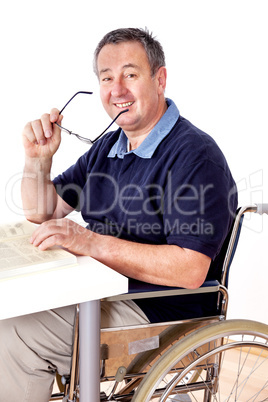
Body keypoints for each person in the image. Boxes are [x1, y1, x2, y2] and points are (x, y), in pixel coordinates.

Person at [0, 28, 237, 401]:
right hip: (101, 293)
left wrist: (90, 242)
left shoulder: (194, 156)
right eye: (106, 78)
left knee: (13, 336)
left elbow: (190, 270)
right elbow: (41, 211)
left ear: (159, 79)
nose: (117, 90)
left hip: (160, 310)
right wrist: (37, 160)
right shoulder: (110, 147)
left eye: (130, 74)